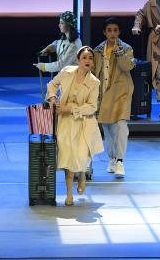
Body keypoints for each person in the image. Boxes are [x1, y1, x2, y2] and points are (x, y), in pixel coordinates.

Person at [46, 46, 104, 205]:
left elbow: (92, 107)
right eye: (84, 57)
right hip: (65, 122)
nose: (87, 60)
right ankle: (69, 194)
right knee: (67, 156)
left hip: (83, 122)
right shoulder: (67, 72)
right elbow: (52, 85)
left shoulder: (94, 82)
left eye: (90, 58)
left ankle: (83, 174)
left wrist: (71, 109)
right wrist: (53, 99)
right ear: (78, 60)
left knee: (82, 155)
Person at [92, 17, 135, 178]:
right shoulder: (97, 50)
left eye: (115, 30)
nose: (112, 33)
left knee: (121, 127)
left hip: (121, 93)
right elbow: (93, 72)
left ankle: (120, 161)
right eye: (109, 30)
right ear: (104, 32)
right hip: (104, 93)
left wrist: (118, 52)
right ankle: (112, 158)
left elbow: (128, 66)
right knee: (108, 129)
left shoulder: (126, 48)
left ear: (119, 32)